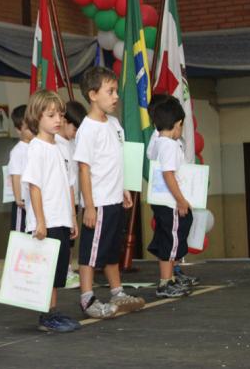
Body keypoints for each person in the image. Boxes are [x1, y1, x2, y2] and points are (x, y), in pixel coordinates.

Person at [73, 67, 145, 319]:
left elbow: (116, 161)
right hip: (99, 203)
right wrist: (89, 206)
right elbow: (84, 169)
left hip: (114, 199)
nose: (115, 97)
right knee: (91, 254)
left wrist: (123, 188)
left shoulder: (114, 124)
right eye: (110, 91)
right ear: (93, 95)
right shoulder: (87, 129)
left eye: (116, 91)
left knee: (112, 250)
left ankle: (117, 291)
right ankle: (87, 298)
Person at [22, 90, 80, 333]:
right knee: (46, 272)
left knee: (58, 271)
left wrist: (73, 217)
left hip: (62, 218)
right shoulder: (36, 148)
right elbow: (34, 186)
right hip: (46, 221)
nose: (58, 120)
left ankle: (53, 312)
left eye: (61, 115)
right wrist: (40, 221)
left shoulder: (61, 147)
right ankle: (46, 316)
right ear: (38, 117)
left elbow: (68, 185)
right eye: (51, 115)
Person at [147, 96, 196, 298]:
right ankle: (166, 282)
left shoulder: (157, 140)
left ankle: (169, 279)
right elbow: (168, 173)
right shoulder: (169, 145)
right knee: (171, 240)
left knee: (166, 237)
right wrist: (181, 200)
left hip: (161, 201)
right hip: (170, 202)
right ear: (177, 125)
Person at [56, 100, 86, 290]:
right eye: (74, 128)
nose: (76, 133)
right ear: (64, 121)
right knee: (62, 240)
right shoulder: (55, 144)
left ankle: (67, 270)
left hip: (73, 198)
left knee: (70, 240)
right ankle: (63, 272)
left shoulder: (72, 143)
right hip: (61, 200)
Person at [7, 105, 33, 232]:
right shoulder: (18, 150)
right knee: (20, 234)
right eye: (28, 128)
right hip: (22, 202)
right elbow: (15, 175)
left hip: (33, 200)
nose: (33, 130)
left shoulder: (37, 147)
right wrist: (18, 198)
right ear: (18, 130)